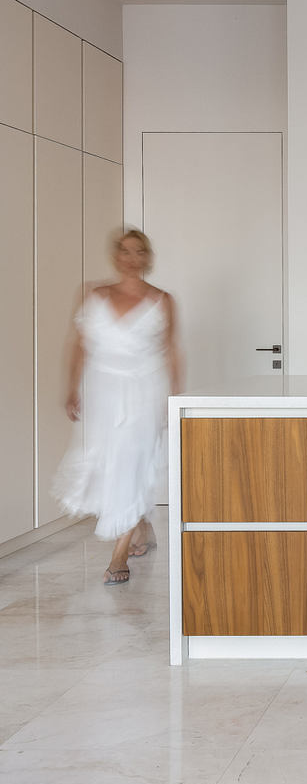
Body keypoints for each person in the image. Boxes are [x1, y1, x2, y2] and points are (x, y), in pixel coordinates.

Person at [54, 229, 182, 585]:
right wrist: (71, 388)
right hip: (103, 391)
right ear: (115, 256)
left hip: (145, 391)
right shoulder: (95, 295)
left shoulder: (162, 300)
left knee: (134, 461)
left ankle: (118, 556)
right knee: (113, 464)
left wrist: (174, 398)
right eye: (124, 251)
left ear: (147, 257)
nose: (131, 257)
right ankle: (141, 528)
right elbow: (79, 345)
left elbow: (172, 351)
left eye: (138, 251)